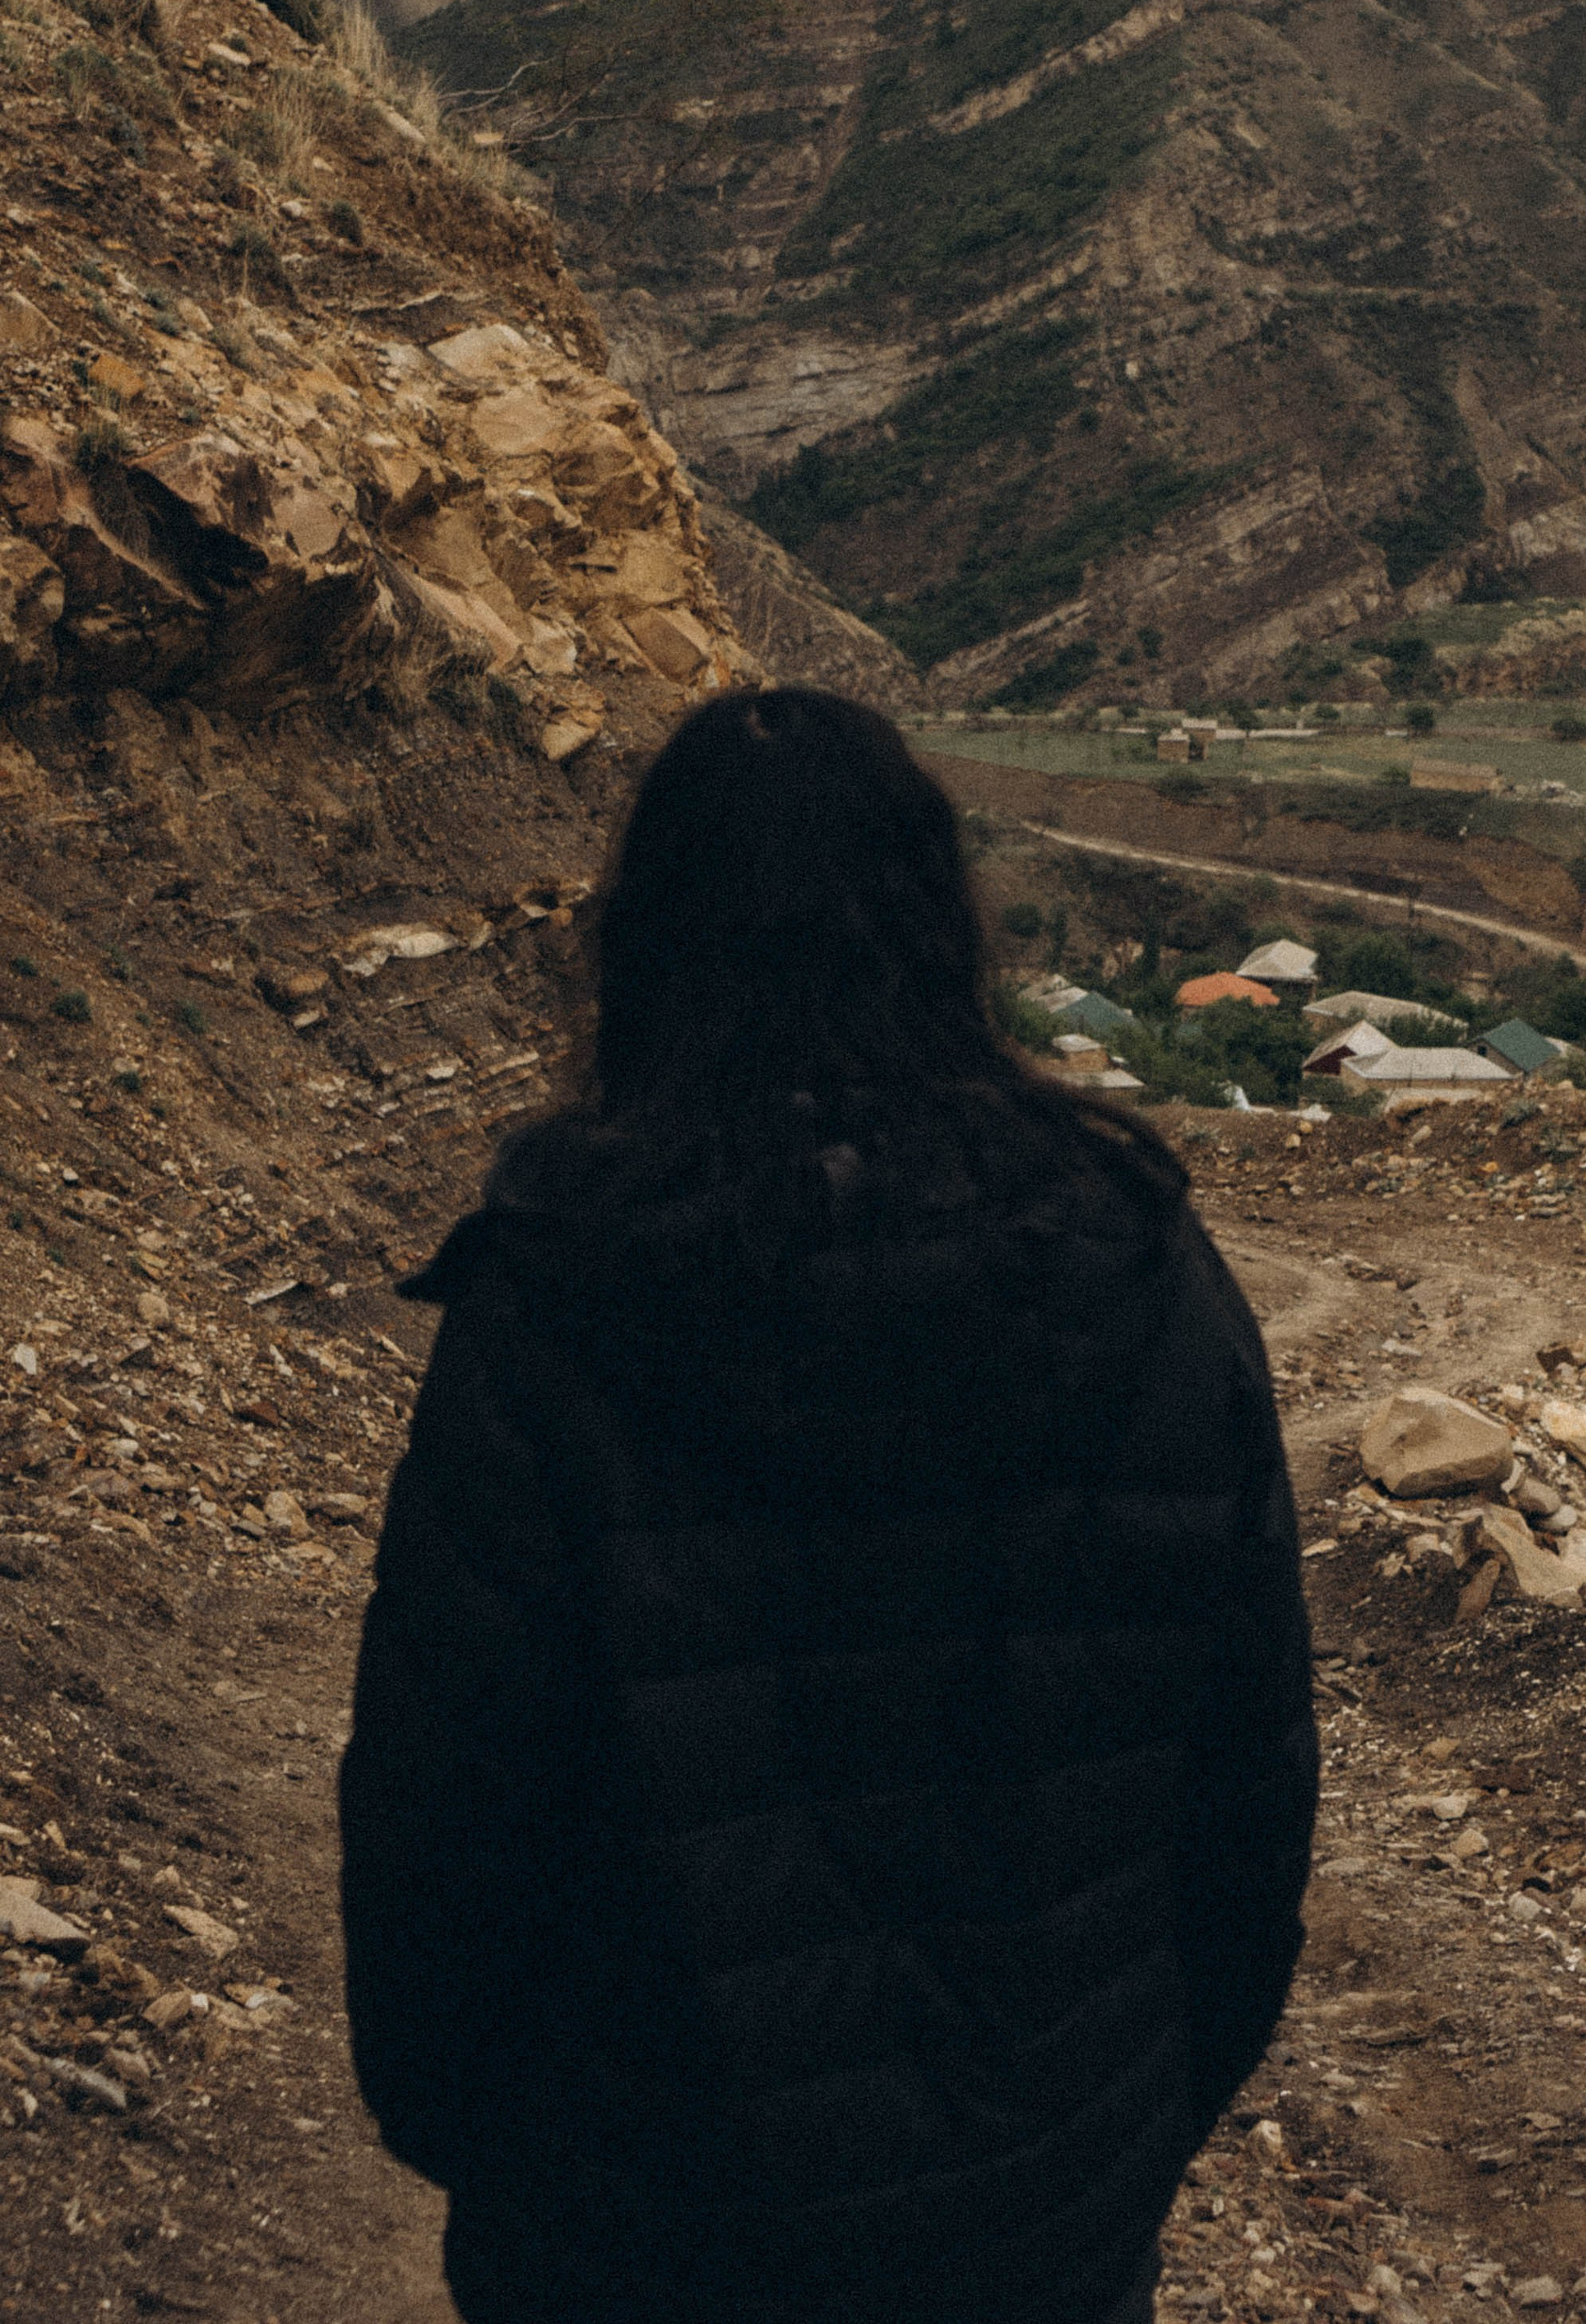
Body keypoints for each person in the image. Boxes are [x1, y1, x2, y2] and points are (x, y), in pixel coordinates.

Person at [339, 685, 1317, 2324]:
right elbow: (1246, 1793)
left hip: (631, 2219)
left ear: (647, 945)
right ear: (943, 930)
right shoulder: (1146, 1272)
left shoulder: (551, 1307)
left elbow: (447, 1809)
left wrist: (486, 2146)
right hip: (1038, 2219)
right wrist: (1120, 2132)